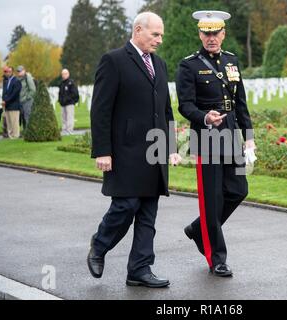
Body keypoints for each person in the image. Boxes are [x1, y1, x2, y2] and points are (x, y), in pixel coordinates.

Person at [88, 11, 181, 288]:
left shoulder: (160, 64)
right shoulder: (114, 61)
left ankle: (139, 269)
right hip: (125, 151)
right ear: (138, 30)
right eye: (155, 34)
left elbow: (166, 110)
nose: (160, 40)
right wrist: (103, 151)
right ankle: (100, 244)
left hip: (154, 153)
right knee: (125, 206)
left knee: (148, 214)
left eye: (161, 35)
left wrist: (171, 147)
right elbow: (100, 110)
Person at [176, 10, 256, 277]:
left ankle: (199, 229)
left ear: (223, 33)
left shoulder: (232, 61)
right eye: (206, 33)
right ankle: (216, 258)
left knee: (238, 190)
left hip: (231, 135)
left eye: (216, 33)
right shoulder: (188, 65)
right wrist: (204, 117)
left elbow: (240, 103)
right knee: (213, 200)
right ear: (200, 34)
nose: (211, 38)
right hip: (207, 138)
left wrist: (250, 140)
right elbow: (185, 105)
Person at [2, 66, 22, 139]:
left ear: (12, 72)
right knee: (9, 123)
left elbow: (15, 94)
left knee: (14, 123)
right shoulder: (6, 81)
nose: (8, 73)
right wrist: (3, 100)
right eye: (7, 71)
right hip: (7, 105)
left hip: (14, 105)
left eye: (9, 71)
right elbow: (5, 92)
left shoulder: (16, 81)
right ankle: (10, 136)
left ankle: (16, 136)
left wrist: (6, 100)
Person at [58, 69, 79, 135]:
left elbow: (74, 93)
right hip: (63, 104)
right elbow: (60, 93)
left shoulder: (71, 83)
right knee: (63, 117)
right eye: (62, 74)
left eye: (65, 74)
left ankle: (69, 130)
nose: (63, 75)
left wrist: (69, 100)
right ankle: (64, 130)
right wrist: (60, 100)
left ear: (68, 74)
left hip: (69, 103)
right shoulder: (61, 83)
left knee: (69, 117)